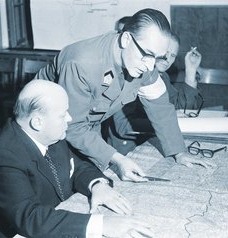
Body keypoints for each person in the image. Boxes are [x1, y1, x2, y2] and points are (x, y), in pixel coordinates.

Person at [35, 8, 214, 183]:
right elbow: (73, 126)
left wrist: (179, 151)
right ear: (126, 39)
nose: (150, 66)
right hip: (45, 126)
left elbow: (160, 106)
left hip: (87, 129)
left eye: (157, 57)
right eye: (148, 55)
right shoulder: (82, 63)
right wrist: (117, 159)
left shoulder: (144, 61)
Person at [0, 80, 154, 238]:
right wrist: (101, 224)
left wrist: (97, 185)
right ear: (37, 122)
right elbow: (30, 218)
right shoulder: (3, 156)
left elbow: (76, 165)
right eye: (62, 115)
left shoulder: (48, 135)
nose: (69, 118)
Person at [105, 32, 203, 155]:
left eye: (173, 55)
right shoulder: (132, 74)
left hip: (150, 142)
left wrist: (191, 70)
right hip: (124, 150)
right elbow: (122, 126)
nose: (167, 59)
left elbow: (181, 107)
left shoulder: (162, 76)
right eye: (165, 52)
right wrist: (165, 120)